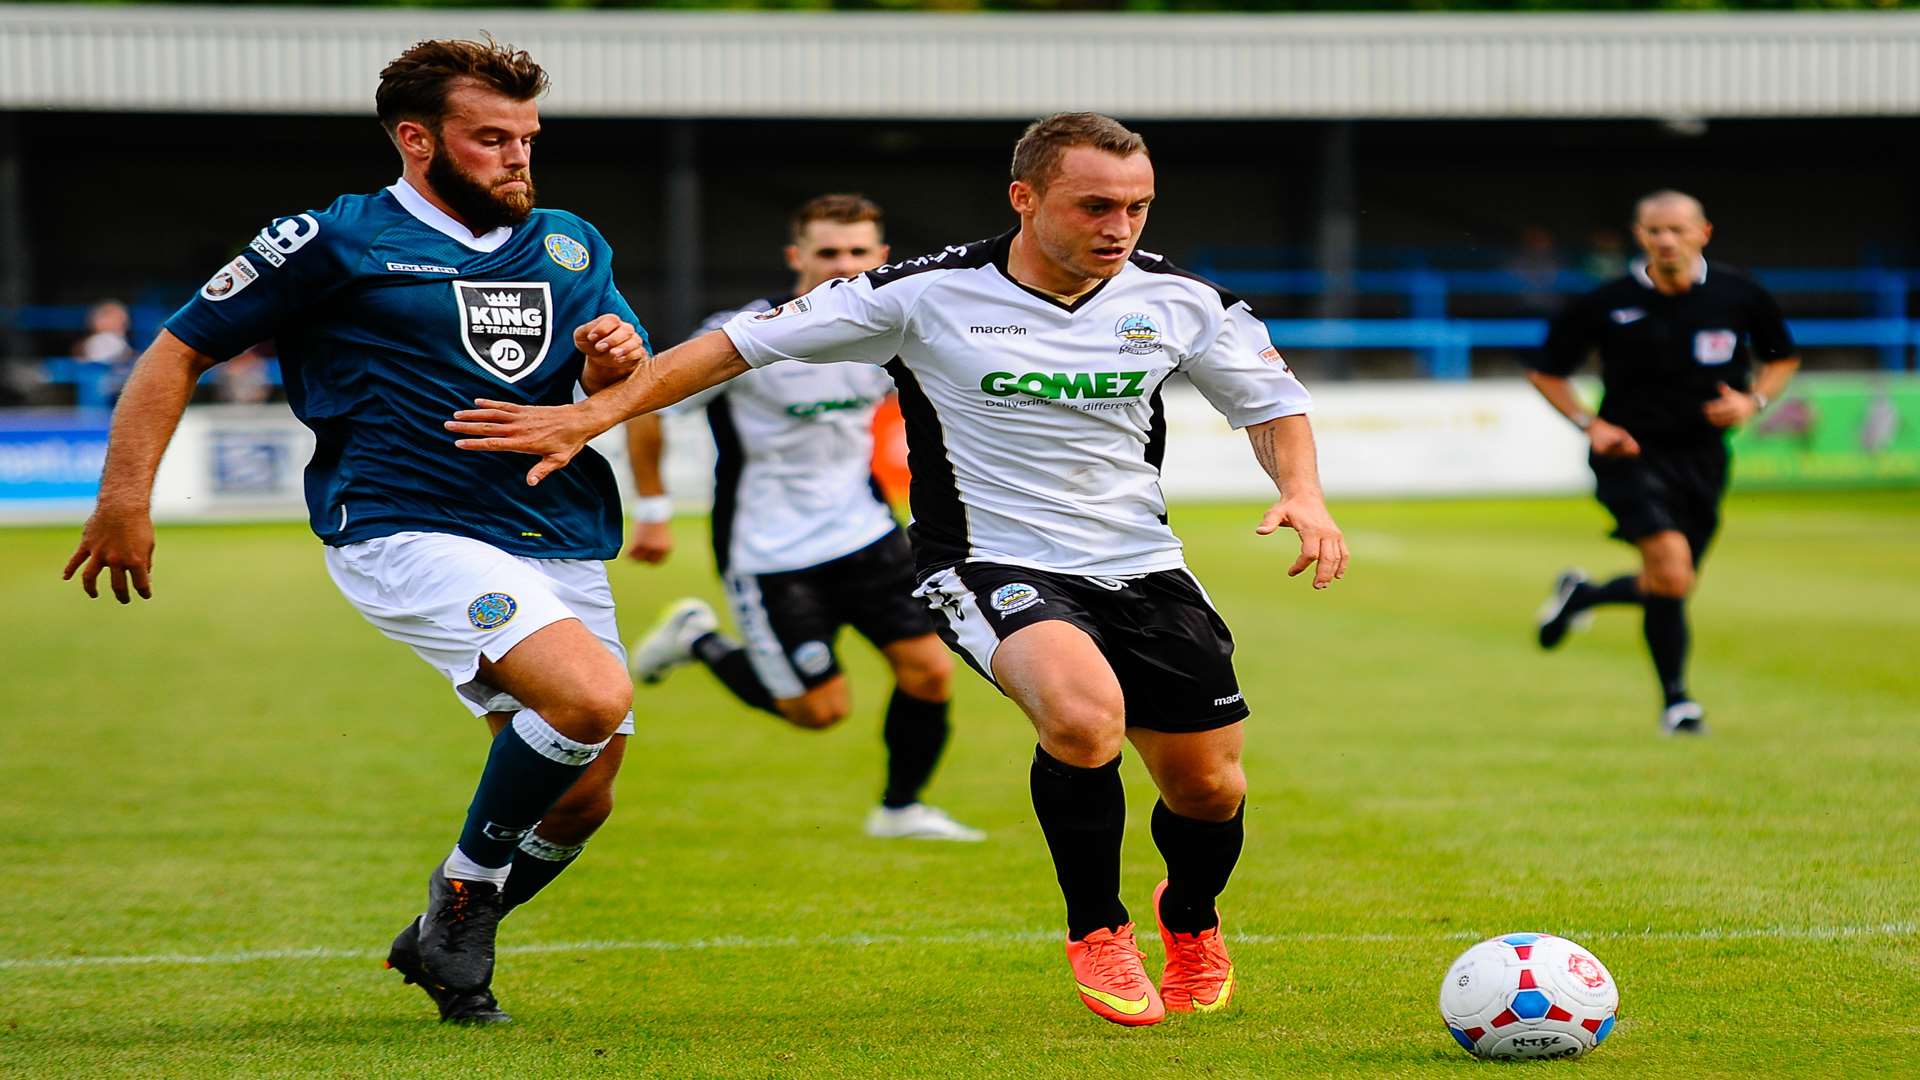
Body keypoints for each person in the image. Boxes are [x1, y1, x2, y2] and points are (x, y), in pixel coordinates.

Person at [444, 112, 1348, 1027]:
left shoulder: (1184, 300)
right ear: (1024, 199)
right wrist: (592, 416)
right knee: (1083, 720)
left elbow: (1269, 402)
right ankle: (1098, 929)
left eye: (1138, 207)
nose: (1119, 227)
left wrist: (1304, 493)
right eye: (1096, 206)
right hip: (988, 559)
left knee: (1207, 788)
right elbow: (735, 346)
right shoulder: (922, 293)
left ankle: (1187, 917)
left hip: (1144, 566)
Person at [61, 38, 649, 1025]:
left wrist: (612, 359)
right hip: (403, 524)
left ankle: (442, 935)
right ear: (419, 140)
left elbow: (606, 388)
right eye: (491, 138)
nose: (518, 157)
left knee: (583, 797)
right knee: (590, 696)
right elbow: (175, 352)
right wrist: (124, 498)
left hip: (554, 527)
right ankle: (462, 902)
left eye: (527, 138)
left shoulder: (572, 244)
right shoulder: (329, 240)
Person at [621, 194, 982, 842]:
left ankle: (900, 808)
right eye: (828, 253)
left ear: (882, 259)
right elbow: (647, 402)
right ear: (797, 257)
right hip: (771, 554)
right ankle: (697, 639)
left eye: (857, 252)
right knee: (818, 712)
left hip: (867, 534)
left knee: (929, 669)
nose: (843, 266)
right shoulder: (746, 334)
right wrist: (652, 509)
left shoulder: (890, 330)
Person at [1526, 190, 1799, 735]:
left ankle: (1585, 594)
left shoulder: (1738, 294)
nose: (1666, 240)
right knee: (1672, 572)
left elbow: (1782, 356)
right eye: (1655, 231)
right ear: (1640, 236)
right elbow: (1546, 371)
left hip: (1703, 458)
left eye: (1677, 229)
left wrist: (1753, 401)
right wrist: (1590, 423)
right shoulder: (1606, 302)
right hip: (1630, 454)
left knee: (1673, 582)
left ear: (1704, 233)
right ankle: (1678, 704)